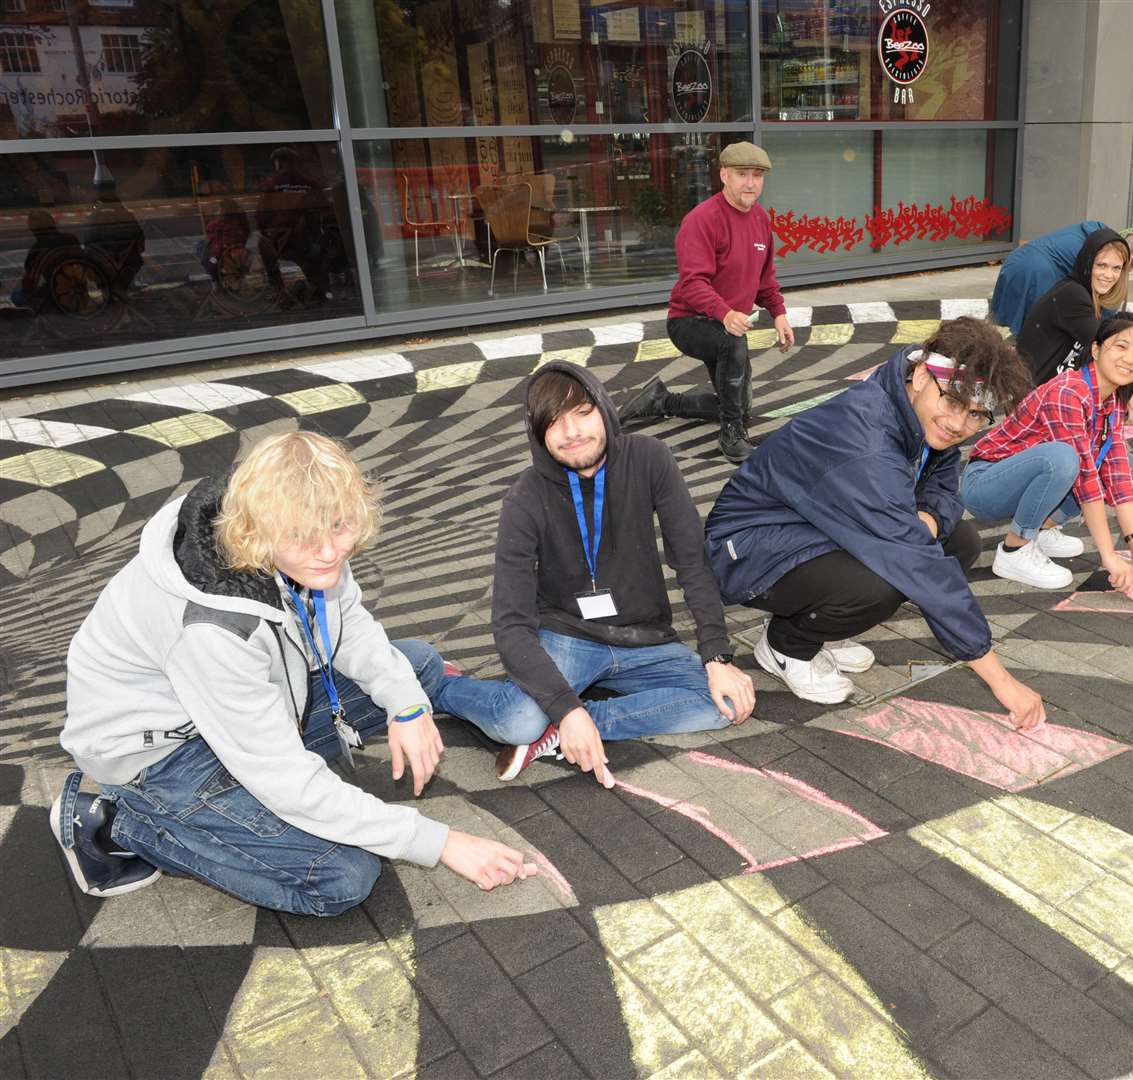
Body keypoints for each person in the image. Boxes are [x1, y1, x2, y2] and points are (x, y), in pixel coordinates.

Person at [52, 432, 541, 912]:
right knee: (342, 879)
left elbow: (346, 623)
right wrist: (439, 842)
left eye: (340, 527)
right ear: (259, 530)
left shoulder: (294, 532)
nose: (328, 551)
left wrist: (408, 707)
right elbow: (283, 779)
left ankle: (244, 800)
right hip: (161, 759)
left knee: (413, 667)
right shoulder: (215, 628)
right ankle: (126, 824)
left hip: (242, 706)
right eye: (305, 538)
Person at [704, 317, 1046, 730]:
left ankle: (811, 621)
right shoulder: (867, 439)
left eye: (977, 415)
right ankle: (787, 645)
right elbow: (915, 562)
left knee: (959, 541)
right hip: (747, 546)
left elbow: (941, 477)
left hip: (808, 527)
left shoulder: (907, 399)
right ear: (922, 375)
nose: (959, 424)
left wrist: (932, 521)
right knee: (885, 579)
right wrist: (1002, 681)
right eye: (953, 403)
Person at [487, 363, 758, 785]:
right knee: (516, 720)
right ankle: (442, 685)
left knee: (723, 702)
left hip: (644, 638)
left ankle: (572, 725)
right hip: (568, 636)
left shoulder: (650, 458)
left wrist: (716, 656)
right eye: (554, 422)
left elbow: (692, 561)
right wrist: (562, 701)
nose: (572, 432)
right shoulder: (525, 498)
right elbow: (510, 623)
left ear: (604, 409)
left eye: (582, 412)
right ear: (538, 434)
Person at [964, 313, 1133, 599]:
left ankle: (1042, 530)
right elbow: (1084, 477)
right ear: (1096, 350)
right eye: (1121, 346)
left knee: (1129, 465)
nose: (1129, 358)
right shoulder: (1069, 392)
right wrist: (1108, 557)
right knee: (1063, 458)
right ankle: (1014, 549)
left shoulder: (1112, 400)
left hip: (1029, 480)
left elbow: (1118, 471)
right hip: (986, 484)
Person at [617, 141, 795, 464]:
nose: (751, 183)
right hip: (689, 321)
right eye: (742, 174)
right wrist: (725, 313)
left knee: (741, 405)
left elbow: (764, 278)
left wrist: (779, 313)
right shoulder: (702, 220)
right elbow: (692, 283)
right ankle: (730, 434)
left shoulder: (760, 220)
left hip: (727, 322)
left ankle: (661, 401)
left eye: (757, 175)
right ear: (724, 175)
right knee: (734, 346)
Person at [990, 221, 1133, 335]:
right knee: (1037, 333)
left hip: (1016, 259)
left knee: (1014, 330)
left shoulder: (1092, 232)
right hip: (1039, 273)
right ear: (1129, 255)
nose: (1128, 270)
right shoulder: (1101, 250)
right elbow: (1099, 303)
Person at [257, 146, 333, 303]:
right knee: (309, 258)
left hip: (285, 239)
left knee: (263, 244)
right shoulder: (310, 182)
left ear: (278, 163)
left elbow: (261, 215)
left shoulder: (272, 184)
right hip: (311, 238)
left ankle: (278, 289)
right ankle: (320, 287)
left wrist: (266, 231)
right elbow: (326, 210)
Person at [10, 209, 78, 309]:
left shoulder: (38, 251)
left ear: (33, 230)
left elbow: (31, 282)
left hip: (56, 295)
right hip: (78, 290)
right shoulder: (71, 239)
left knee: (16, 296)